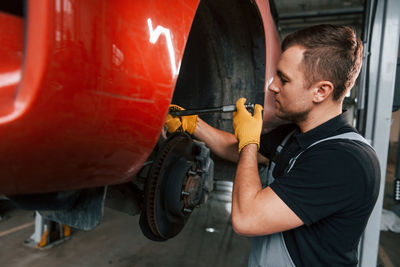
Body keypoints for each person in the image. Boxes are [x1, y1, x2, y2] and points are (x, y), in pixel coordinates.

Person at [165, 24, 380, 267]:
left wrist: (249, 141)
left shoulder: (344, 161)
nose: (272, 86)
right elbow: (236, 149)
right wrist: (193, 125)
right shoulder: (296, 133)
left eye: (284, 79)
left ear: (321, 91)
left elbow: (247, 219)